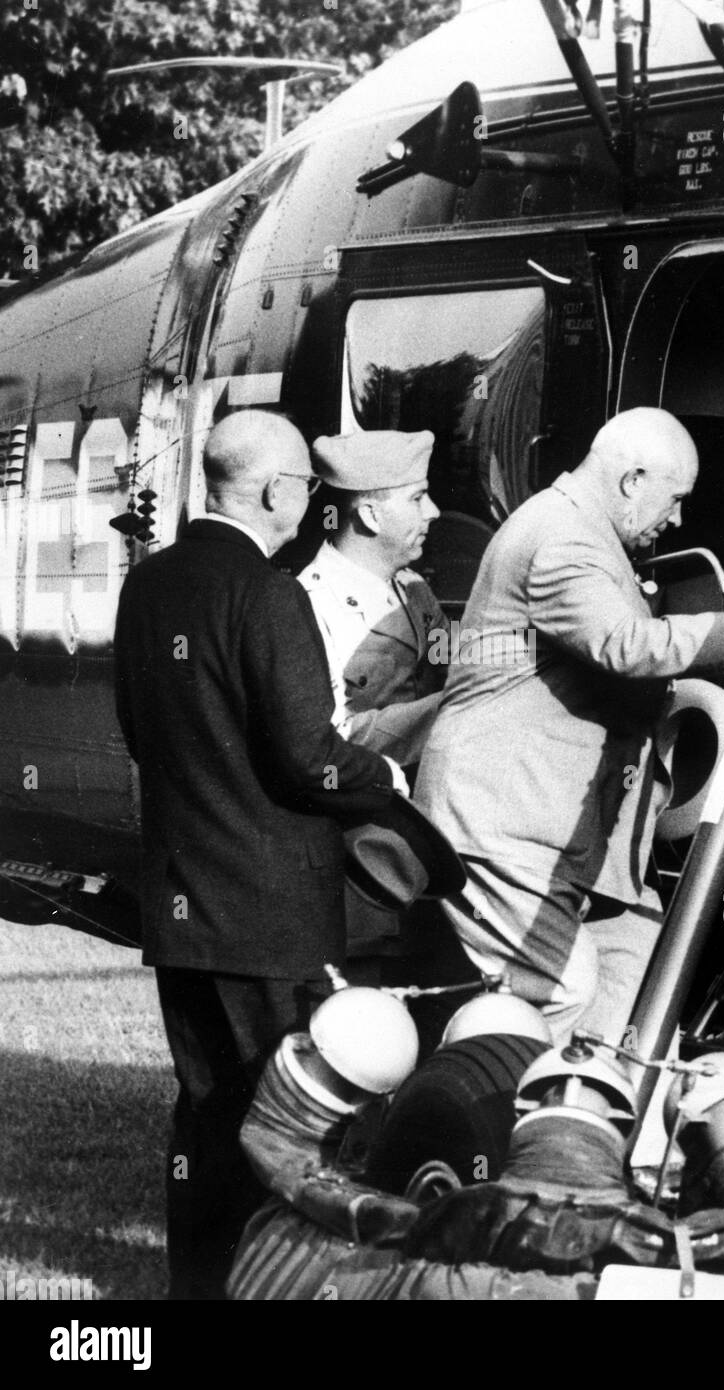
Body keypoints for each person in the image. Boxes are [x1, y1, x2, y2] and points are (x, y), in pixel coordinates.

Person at [113, 409, 405, 1299]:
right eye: (307, 487)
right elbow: (306, 755)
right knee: (284, 1113)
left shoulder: (149, 585)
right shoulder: (270, 592)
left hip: (181, 901)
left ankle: (198, 1286)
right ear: (280, 490)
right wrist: (385, 775)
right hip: (269, 909)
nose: (312, 502)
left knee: (206, 1110)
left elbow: (138, 731)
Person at [415, 408, 724, 1048]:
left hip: (563, 830)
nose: (679, 520)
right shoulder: (563, 537)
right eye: (676, 499)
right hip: (503, 819)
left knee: (633, 963)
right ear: (634, 479)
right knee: (559, 986)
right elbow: (625, 643)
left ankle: (587, 1130)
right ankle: (462, 1119)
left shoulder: (580, 530)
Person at [299, 429, 448, 769]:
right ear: (370, 515)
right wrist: (456, 707)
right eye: (417, 498)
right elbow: (334, 739)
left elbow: (446, 660)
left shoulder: (415, 591)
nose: (434, 511)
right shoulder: (312, 607)